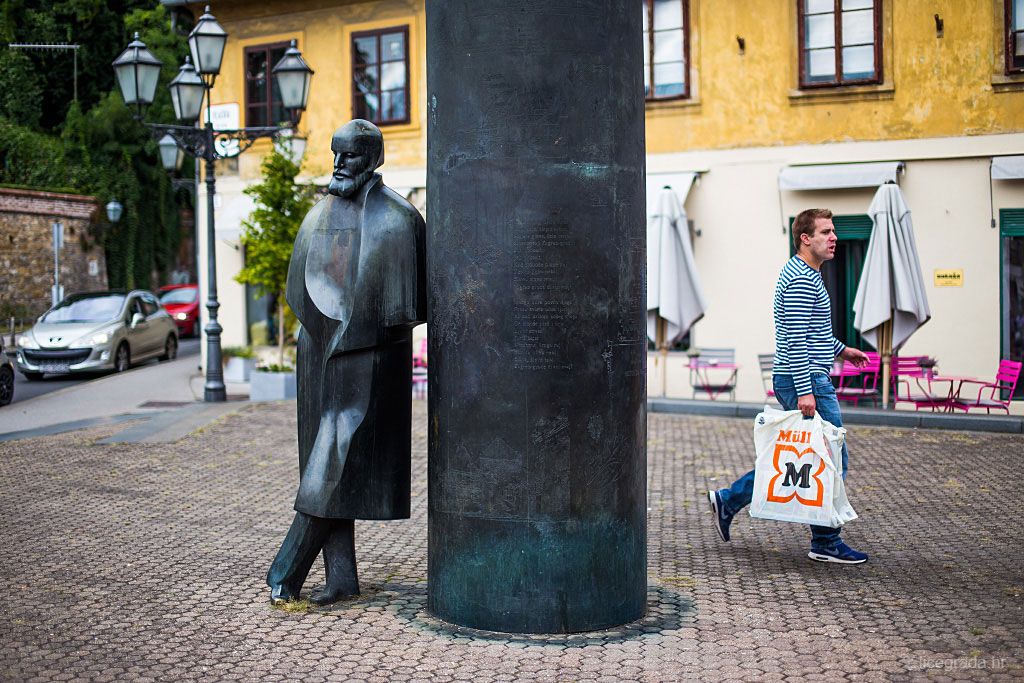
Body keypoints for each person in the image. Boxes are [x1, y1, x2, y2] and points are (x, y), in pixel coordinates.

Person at [266, 119, 427, 604]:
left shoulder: (399, 220)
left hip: (370, 354)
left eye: (351, 155)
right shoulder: (317, 216)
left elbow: (408, 305)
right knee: (323, 461)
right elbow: (302, 284)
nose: (339, 164)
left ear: (374, 158)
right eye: (336, 153)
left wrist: (365, 334)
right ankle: (341, 578)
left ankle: (287, 570)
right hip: (316, 349)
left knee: (333, 463)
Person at [707, 208, 870, 564]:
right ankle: (825, 542)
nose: (834, 238)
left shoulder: (808, 276)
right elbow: (794, 339)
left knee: (803, 457)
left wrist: (843, 350)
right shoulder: (800, 278)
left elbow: (813, 333)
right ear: (805, 238)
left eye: (834, 232)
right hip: (806, 379)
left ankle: (729, 499)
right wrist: (805, 390)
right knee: (830, 459)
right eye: (826, 232)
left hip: (808, 375)